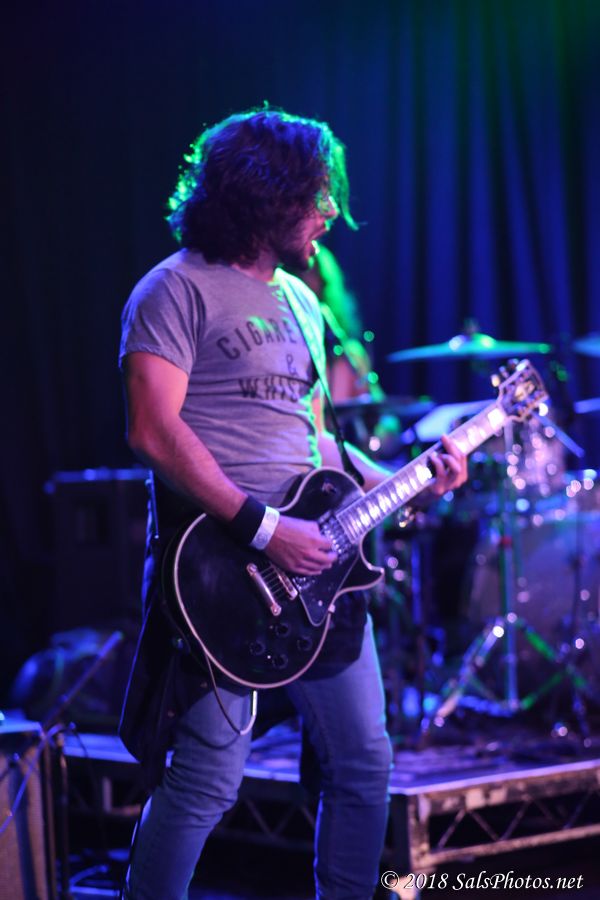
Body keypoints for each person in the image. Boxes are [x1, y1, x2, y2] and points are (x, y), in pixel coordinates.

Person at [118, 106, 467, 900]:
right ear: (264, 195)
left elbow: (318, 445)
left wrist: (409, 477)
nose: (331, 211)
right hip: (220, 572)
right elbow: (150, 429)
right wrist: (264, 529)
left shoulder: (304, 304)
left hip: (318, 574)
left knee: (364, 762)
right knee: (207, 781)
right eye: (316, 194)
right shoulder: (172, 289)